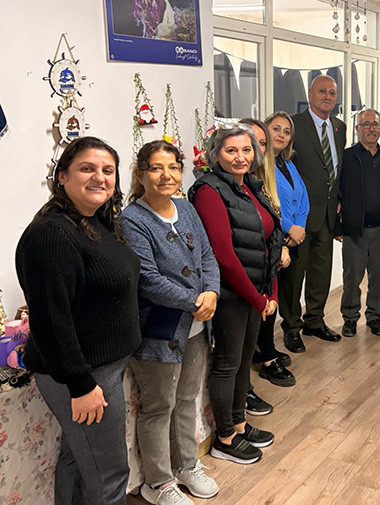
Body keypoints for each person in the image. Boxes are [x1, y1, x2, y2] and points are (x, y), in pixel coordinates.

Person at [16, 137, 141, 505]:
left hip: (103, 367)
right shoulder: (51, 234)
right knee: (109, 475)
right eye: (87, 168)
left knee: (79, 459)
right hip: (84, 373)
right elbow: (50, 320)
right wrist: (81, 385)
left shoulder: (97, 222)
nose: (99, 177)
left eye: (107, 170)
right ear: (62, 176)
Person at [123, 140, 221, 504]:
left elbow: (208, 256)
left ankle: (186, 465)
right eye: (156, 168)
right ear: (141, 174)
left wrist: (211, 292)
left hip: (195, 326)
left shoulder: (186, 208)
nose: (166, 175)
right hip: (158, 330)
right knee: (159, 406)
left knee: (186, 398)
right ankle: (158, 482)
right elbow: (147, 279)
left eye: (173, 167)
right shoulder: (132, 220)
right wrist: (195, 300)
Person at [188, 123, 283, 464]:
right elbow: (224, 256)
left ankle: (240, 423)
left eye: (246, 150)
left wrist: (269, 291)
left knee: (244, 361)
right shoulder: (209, 191)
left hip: (255, 291)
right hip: (231, 294)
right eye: (231, 150)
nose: (240, 157)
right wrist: (258, 298)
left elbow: (270, 241)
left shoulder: (250, 186)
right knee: (228, 364)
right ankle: (225, 437)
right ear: (216, 155)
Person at [284, 75, 347, 351]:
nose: (327, 96)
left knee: (321, 272)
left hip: (328, 214)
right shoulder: (294, 125)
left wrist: (339, 202)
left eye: (332, 93)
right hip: (299, 216)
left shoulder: (340, 127)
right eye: (322, 91)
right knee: (294, 275)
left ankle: (315, 320)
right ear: (310, 94)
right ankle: (291, 327)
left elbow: (337, 169)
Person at [239, 117, 295, 406]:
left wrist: (281, 245)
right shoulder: (225, 185)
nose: (256, 149)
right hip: (245, 265)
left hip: (268, 259)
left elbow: (272, 217)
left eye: (261, 144)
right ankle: (259, 364)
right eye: (251, 143)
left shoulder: (261, 178)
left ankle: (266, 351)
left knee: (268, 309)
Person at [337, 108, 380, 337]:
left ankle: (374, 316)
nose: (372, 128)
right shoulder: (347, 157)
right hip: (355, 230)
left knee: (378, 277)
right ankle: (350, 318)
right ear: (357, 128)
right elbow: (337, 193)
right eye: (366, 124)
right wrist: (338, 225)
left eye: (376, 124)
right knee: (352, 277)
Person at [263, 112, 311, 356]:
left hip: (294, 237)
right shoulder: (259, 165)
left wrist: (299, 227)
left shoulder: (287, 163)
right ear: (265, 130)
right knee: (270, 291)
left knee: (292, 287)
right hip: (274, 237)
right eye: (276, 129)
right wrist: (289, 227)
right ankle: (264, 347)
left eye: (286, 131)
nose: (281, 135)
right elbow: (266, 203)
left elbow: (303, 198)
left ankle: (292, 330)